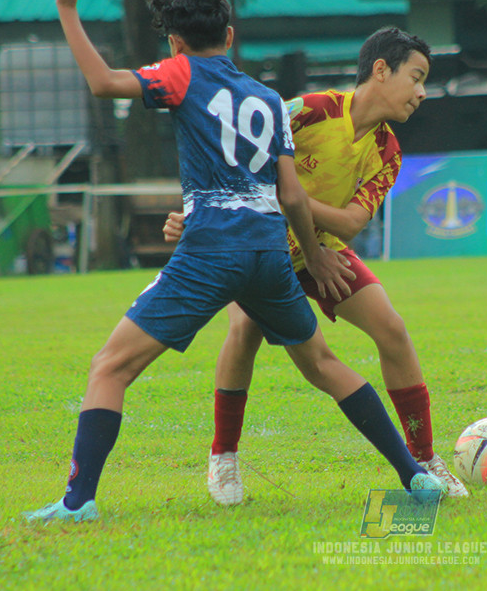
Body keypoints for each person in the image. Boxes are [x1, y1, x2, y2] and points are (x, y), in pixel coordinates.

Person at [24, 0, 445, 523]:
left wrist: (67, 7)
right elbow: (292, 197)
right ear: (229, 35)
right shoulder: (272, 100)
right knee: (321, 361)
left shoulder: (180, 72)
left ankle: (77, 503)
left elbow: (104, 83)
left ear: (175, 42)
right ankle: (413, 475)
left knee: (110, 367)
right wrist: (312, 253)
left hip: (214, 250)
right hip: (271, 252)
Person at [163, 27, 469, 505]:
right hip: (259, 246)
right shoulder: (308, 110)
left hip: (321, 252)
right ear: (381, 70)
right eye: (417, 77)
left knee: (391, 328)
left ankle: (426, 458)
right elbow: (235, 156)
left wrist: (295, 203)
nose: (422, 92)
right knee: (244, 331)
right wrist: (205, 214)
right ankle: (223, 458)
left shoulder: (388, 152)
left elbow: (349, 223)